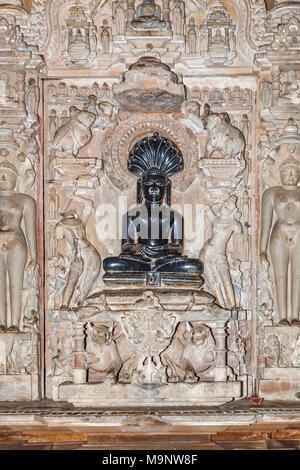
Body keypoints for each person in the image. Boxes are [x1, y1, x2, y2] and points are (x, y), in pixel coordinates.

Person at [260, 156, 300, 326]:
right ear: (280, 173)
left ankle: (295, 316)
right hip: (279, 233)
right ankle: (283, 316)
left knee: (298, 275)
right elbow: (266, 223)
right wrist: (262, 250)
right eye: (287, 172)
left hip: (298, 231)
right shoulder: (272, 192)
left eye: (295, 172)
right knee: (280, 274)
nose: (291, 175)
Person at [0, 161, 38, 332]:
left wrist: (34, 255)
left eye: (6, 175)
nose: (2, 179)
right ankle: (1, 322)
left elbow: (31, 228)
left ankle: (15, 323)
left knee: (16, 281)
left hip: (16, 241)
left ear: (16, 178)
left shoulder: (26, 200)